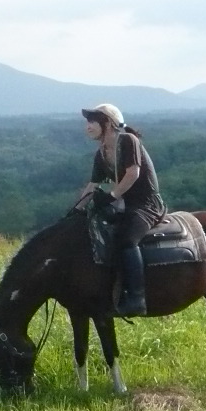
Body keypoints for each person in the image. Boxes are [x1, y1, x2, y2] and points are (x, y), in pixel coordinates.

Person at [73, 103, 165, 316]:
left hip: (146, 205)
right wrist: (77, 210)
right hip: (124, 205)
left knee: (126, 238)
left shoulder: (128, 141)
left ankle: (136, 298)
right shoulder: (101, 153)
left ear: (107, 123)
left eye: (92, 122)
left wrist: (111, 196)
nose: (87, 127)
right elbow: (92, 186)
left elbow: (133, 173)